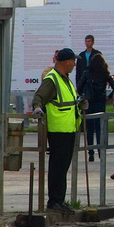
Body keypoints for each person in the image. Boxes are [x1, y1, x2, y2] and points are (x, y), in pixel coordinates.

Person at [31, 48, 80, 212]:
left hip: (68, 129)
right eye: (74, 61)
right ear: (67, 62)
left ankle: (59, 200)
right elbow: (39, 96)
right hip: (58, 130)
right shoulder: (52, 79)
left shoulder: (65, 79)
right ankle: (54, 202)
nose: (75, 64)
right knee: (57, 168)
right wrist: (37, 108)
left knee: (63, 167)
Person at [77, 52, 114, 162]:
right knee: (99, 128)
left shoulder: (87, 73)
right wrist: (109, 97)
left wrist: (84, 95)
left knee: (89, 128)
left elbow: (79, 87)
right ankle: (100, 152)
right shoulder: (105, 73)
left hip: (89, 101)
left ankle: (90, 152)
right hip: (100, 101)